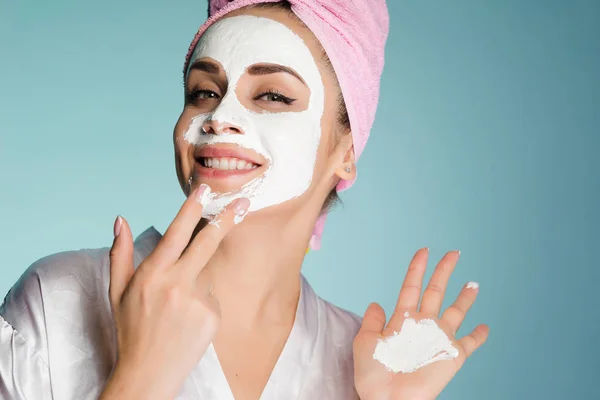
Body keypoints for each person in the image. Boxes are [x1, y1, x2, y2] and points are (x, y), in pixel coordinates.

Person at [0, 1, 490, 399]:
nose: (219, 117)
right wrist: (140, 380)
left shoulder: (369, 359)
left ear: (346, 152)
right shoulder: (57, 298)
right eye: (204, 92)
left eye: (273, 96)